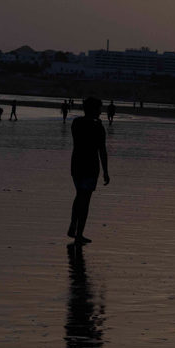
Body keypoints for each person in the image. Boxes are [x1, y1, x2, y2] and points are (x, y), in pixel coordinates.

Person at [68, 97, 110, 244]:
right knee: (85, 200)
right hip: (90, 166)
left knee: (79, 195)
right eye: (99, 109)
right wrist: (106, 171)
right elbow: (102, 150)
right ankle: (79, 233)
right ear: (94, 109)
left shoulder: (77, 123)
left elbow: (77, 139)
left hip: (76, 164)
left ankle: (73, 225)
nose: (100, 112)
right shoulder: (97, 127)